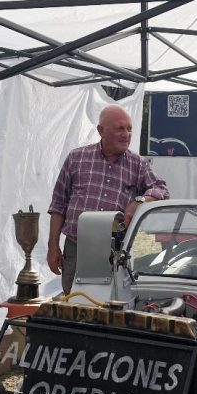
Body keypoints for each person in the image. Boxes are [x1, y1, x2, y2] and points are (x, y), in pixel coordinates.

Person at [47, 105, 170, 294]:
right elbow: (58, 204)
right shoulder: (77, 158)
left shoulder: (137, 164)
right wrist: (52, 246)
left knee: (110, 303)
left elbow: (161, 189)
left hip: (114, 254)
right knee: (72, 302)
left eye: (129, 129)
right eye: (120, 128)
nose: (126, 134)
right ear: (101, 130)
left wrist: (140, 201)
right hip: (76, 249)